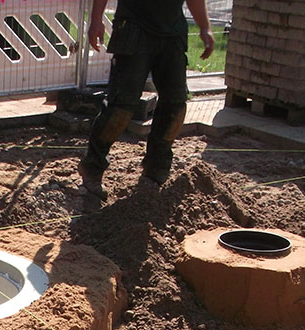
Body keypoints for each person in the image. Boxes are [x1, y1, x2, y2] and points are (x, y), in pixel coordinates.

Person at [78, 0, 214, 200]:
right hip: (134, 28)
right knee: (121, 109)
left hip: (172, 32)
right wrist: (96, 19)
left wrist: (205, 27)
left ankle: (156, 170)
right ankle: (92, 168)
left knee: (175, 106)